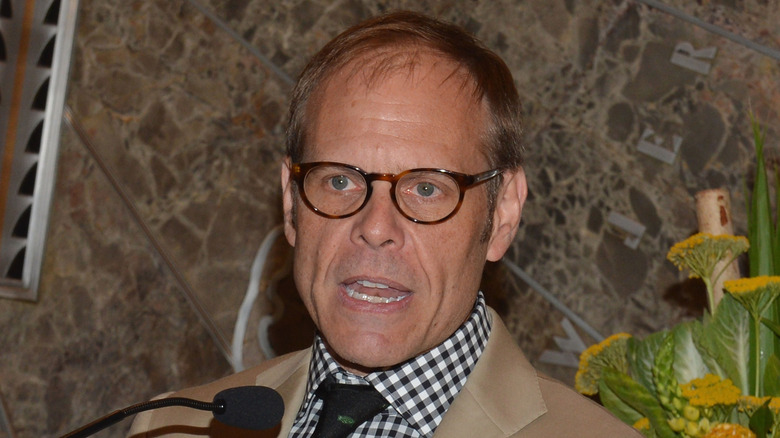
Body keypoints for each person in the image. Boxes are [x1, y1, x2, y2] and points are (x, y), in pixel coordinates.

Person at [129, 11, 641, 438]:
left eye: (426, 188)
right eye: (339, 181)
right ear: (290, 202)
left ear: (502, 214)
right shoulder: (171, 428)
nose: (375, 228)